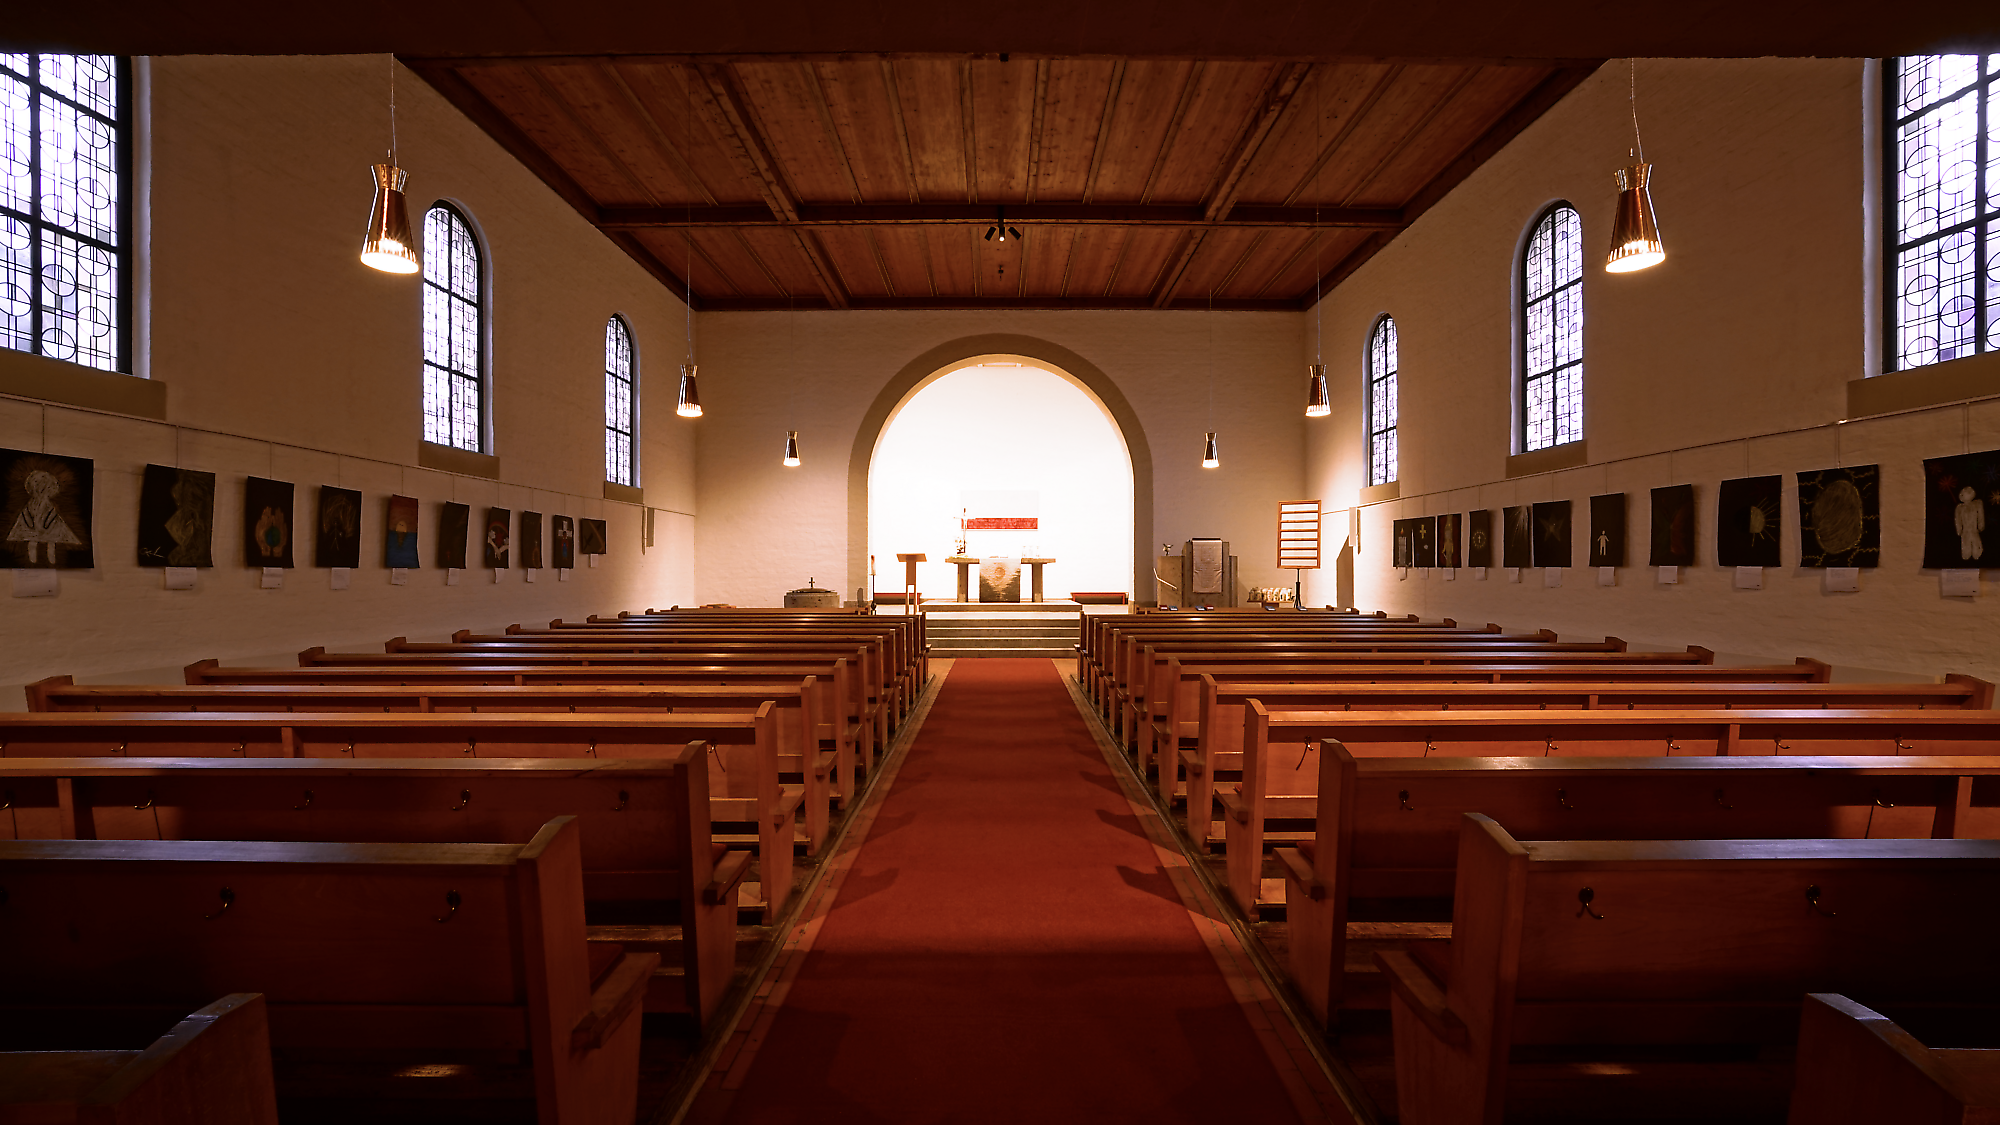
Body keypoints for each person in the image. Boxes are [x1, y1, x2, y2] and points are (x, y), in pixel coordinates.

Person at [7, 469, 83, 566]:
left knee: (51, 542)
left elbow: (52, 514)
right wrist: (30, 525)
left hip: (49, 527)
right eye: (38, 486)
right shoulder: (31, 503)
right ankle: (32, 558)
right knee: (33, 541)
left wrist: (47, 525)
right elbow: (26, 514)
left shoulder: (48, 504)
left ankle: (51, 558)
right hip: (32, 528)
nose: (41, 490)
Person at [1955, 485, 1984, 561]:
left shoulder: (1977, 505)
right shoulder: (1960, 508)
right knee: (1966, 542)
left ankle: (1977, 554)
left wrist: (1981, 525)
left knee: (1975, 540)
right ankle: (1966, 554)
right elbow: (1958, 519)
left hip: (1974, 528)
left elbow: (1980, 516)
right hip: (1965, 529)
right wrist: (1959, 529)